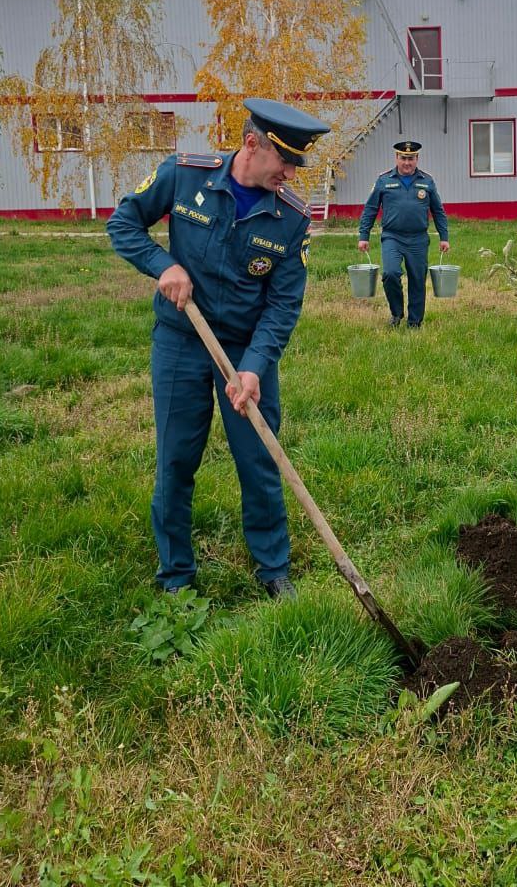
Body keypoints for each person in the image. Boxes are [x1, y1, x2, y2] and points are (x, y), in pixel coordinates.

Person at [107, 97, 330, 598]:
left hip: (245, 349)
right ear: (252, 144)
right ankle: (177, 576)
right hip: (182, 340)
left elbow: (283, 305)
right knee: (176, 459)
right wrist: (162, 265)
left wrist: (253, 368)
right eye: (286, 160)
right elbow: (123, 223)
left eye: (298, 163)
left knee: (259, 459)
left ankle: (274, 571)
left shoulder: (291, 218)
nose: (292, 173)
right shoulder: (185, 176)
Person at [357, 140, 450, 329]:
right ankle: (396, 313)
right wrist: (363, 236)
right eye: (403, 158)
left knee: (417, 279)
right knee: (390, 273)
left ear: (417, 159)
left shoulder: (427, 181)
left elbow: (438, 211)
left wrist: (444, 237)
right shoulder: (384, 181)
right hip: (392, 237)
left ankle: (414, 322)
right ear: (396, 158)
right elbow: (370, 209)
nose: (407, 163)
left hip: (418, 239)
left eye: (411, 158)